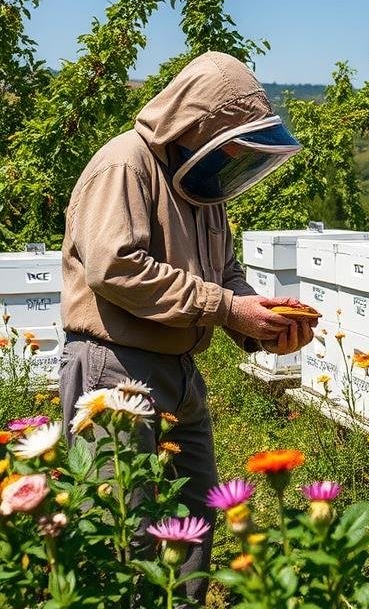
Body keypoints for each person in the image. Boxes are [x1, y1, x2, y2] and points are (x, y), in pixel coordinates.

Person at [59, 51, 316, 602]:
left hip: (179, 371)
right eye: (231, 148)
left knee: (196, 515)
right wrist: (227, 308)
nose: (234, 163)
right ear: (196, 126)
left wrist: (260, 322)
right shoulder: (125, 165)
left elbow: (225, 273)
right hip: (114, 369)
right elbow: (115, 268)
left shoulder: (202, 187)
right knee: (120, 530)